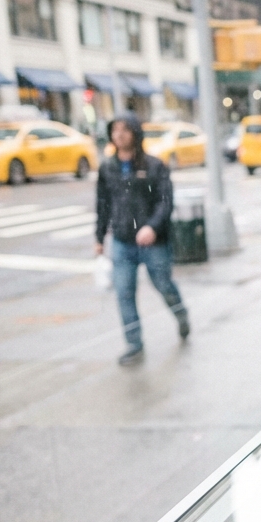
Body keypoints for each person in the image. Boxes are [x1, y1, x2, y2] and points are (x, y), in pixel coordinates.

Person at [95, 112, 188, 365]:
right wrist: (100, 236)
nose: (119, 135)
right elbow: (103, 204)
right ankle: (134, 344)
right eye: (115, 130)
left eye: (125, 130)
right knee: (124, 292)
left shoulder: (154, 166)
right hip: (123, 241)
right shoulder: (108, 168)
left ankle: (181, 315)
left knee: (163, 285)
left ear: (135, 134)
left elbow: (165, 202)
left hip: (153, 242)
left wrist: (152, 227)